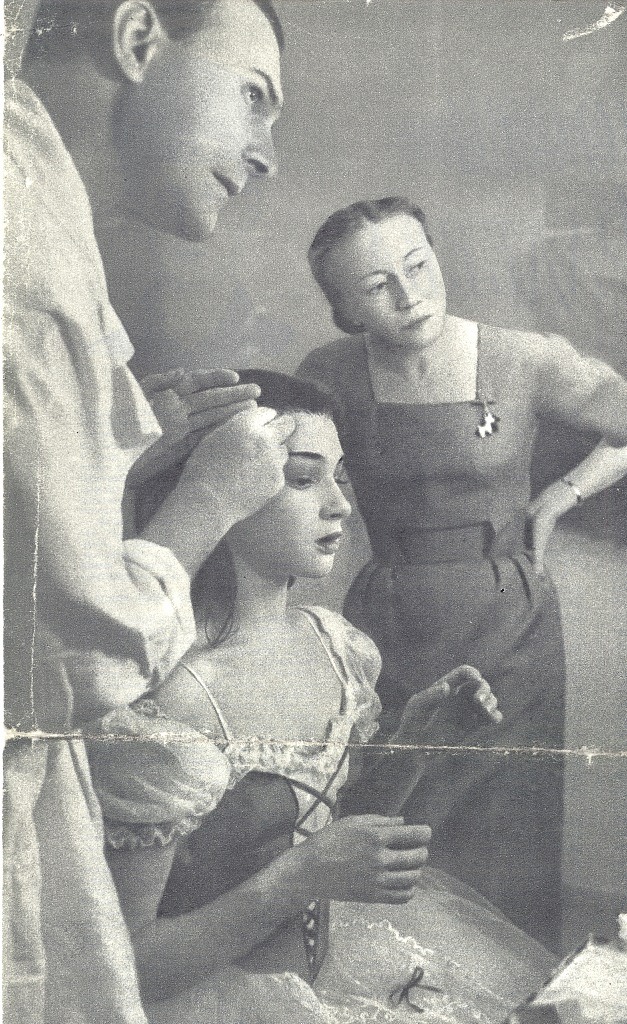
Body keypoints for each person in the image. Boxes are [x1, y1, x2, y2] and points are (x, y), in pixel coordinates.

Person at [2, 3, 305, 1022]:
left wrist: (120, 454)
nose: (266, 154)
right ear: (138, 40)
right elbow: (62, 663)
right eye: (253, 98)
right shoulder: (29, 266)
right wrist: (208, 502)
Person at [88, 370, 556, 1024]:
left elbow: (329, 834)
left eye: (340, 478)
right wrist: (299, 879)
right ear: (220, 488)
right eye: (302, 478)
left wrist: (411, 745)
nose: (340, 505)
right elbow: (124, 966)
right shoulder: (165, 702)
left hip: (329, 978)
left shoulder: (336, 645)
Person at [296, 197, 627, 951]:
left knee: (507, 837)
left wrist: (562, 494)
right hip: (389, 626)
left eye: (417, 266)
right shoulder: (328, 375)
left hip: (512, 628)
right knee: (396, 819)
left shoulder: (523, 358)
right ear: (345, 312)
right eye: (377, 286)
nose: (409, 295)